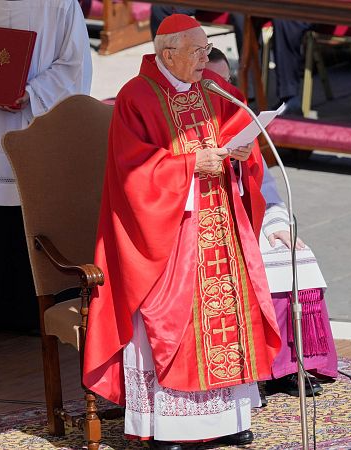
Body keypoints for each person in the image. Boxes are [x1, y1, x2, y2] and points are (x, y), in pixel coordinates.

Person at [83, 14, 281, 450]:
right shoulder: (137, 97)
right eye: (197, 52)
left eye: (207, 50)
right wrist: (193, 165)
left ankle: (229, 419)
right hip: (169, 239)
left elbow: (236, 134)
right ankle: (170, 427)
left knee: (227, 318)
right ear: (167, 54)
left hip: (219, 231)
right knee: (176, 325)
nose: (205, 59)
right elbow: (133, 173)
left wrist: (241, 151)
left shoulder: (212, 89)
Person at [0, 0, 92, 331]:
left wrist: (32, 92)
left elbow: (75, 64)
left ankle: (46, 310)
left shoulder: (58, 4)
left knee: (38, 213)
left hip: (38, 129)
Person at [207, 48, 338, 397]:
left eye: (227, 83)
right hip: (209, 227)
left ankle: (289, 367)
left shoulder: (240, 125)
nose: (225, 91)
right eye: (214, 84)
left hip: (250, 223)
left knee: (293, 257)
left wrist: (277, 226)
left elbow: (267, 190)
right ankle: (253, 366)